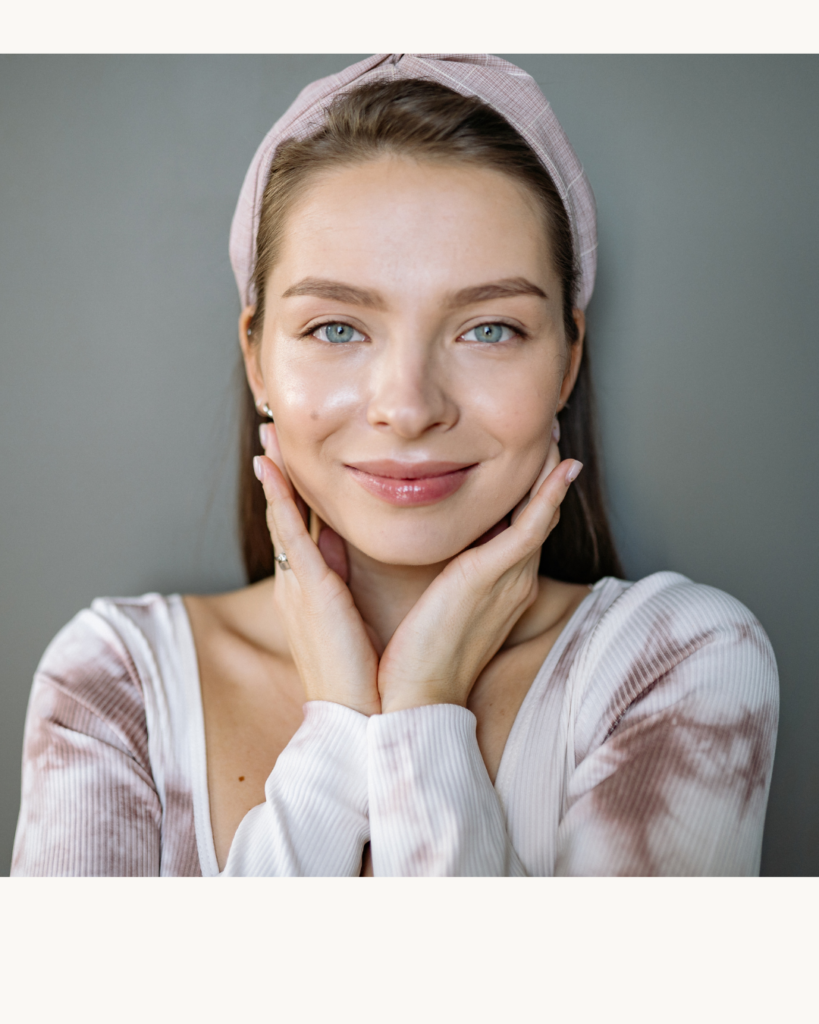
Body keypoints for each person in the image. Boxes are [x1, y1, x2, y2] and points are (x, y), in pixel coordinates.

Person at [11, 54, 778, 877]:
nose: (409, 408)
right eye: (336, 328)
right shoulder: (115, 682)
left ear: (566, 361)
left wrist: (422, 709)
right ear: (258, 360)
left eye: (489, 329)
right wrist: (338, 731)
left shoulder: (677, 662)